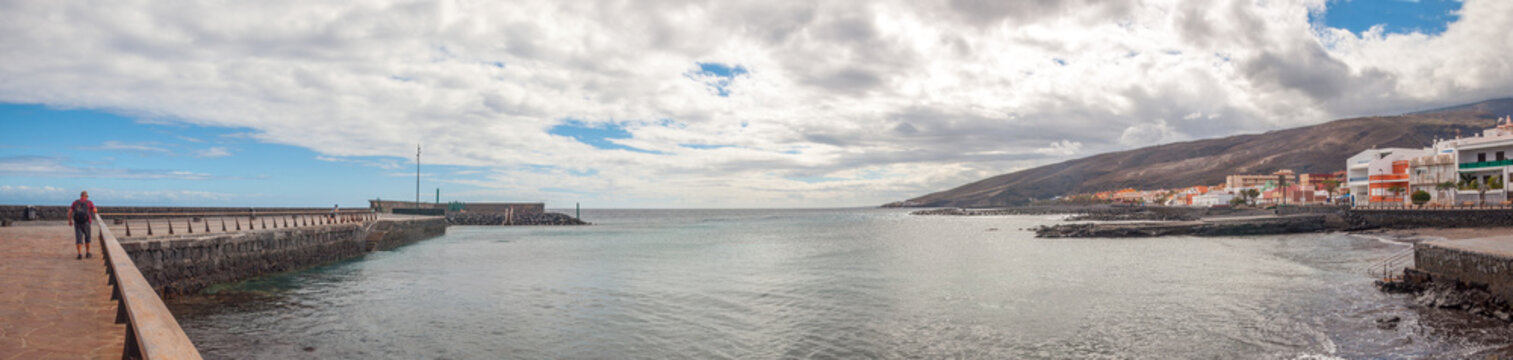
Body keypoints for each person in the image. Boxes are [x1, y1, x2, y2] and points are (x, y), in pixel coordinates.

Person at [67, 191, 97, 260]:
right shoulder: (89, 202)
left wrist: (70, 221)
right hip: (86, 222)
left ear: (80, 196)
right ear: (86, 196)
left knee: (78, 238)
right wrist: (95, 210)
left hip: (77, 223)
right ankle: (88, 253)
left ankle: (79, 254)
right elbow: (95, 211)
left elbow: (70, 212)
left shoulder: (75, 202)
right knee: (87, 237)